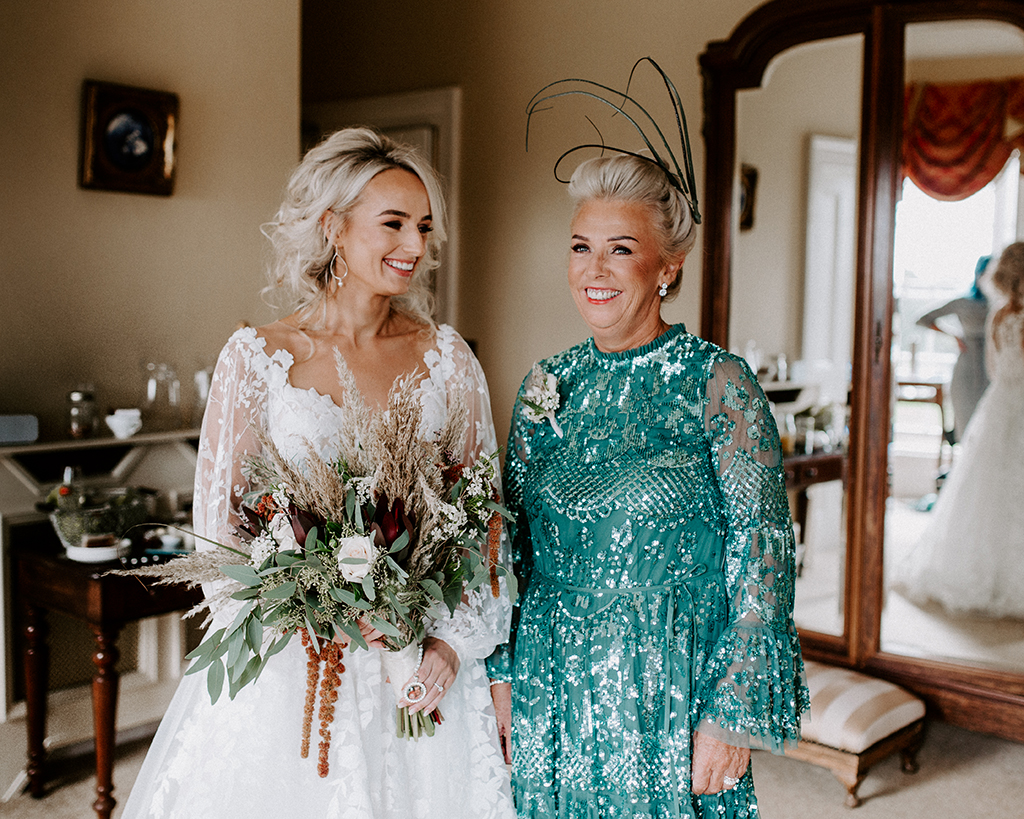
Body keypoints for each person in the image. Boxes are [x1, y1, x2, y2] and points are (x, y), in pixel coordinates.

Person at [124, 128, 515, 818]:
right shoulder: (256, 357)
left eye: (423, 227)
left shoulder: (448, 359)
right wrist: (311, 612)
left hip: (419, 662)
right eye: (393, 223)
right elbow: (221, 541)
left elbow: (484, 526)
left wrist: (449, 646)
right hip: (295, 667)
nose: (415, 246)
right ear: (333, 227)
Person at [487, 153, 807, 818]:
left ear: (667, 266)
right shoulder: (545, 387)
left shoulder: (717, 383)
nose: (593, 269)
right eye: (581, 247)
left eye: (619, 249)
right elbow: (508, 553)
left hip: (668, 690)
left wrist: (729, 714)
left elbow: (764, 555)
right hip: (554, 685)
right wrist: (502, 677)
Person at [892, 242, 1024, 618]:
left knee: (985, 483)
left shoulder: (998, 318)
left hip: (1000, 400)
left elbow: (996, 369)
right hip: (1017, 401)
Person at [915, 255, 990, 442]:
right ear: (979, 274)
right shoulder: (963, 302)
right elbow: (923, 319)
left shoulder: (999, 304)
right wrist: (954, 335)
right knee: (965, 424)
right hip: (966, 367)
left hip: (990, 368)